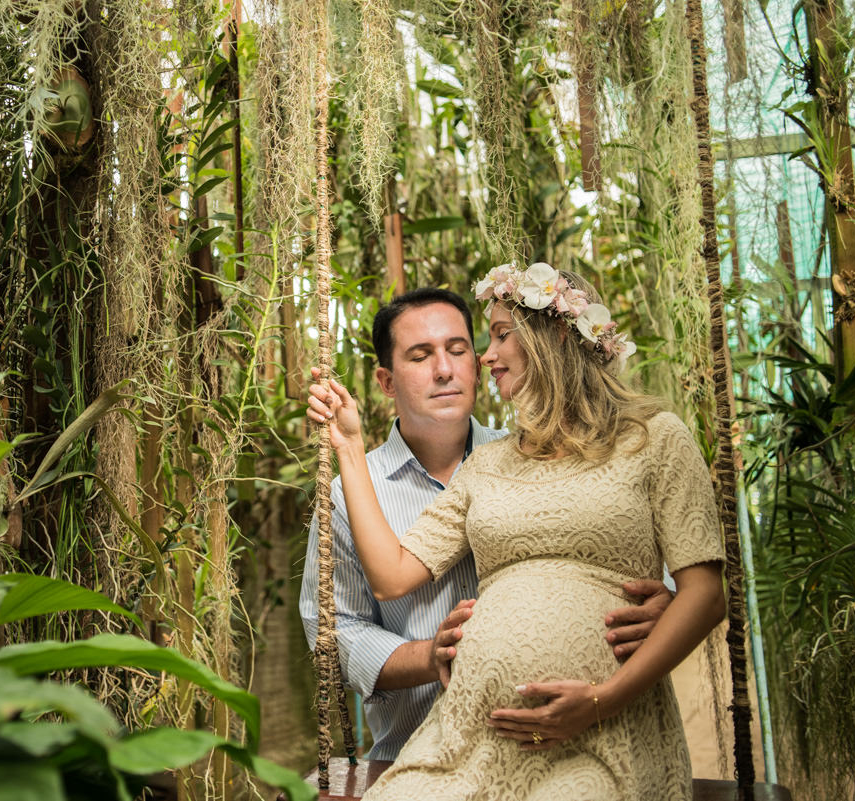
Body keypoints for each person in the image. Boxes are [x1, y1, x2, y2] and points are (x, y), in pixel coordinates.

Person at [307, 265, 726, 800]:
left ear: (552, 337)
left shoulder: (656, 438)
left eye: (497, 336)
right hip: (465, 735)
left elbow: (704, 593)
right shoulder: (487, 465)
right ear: (386, 380)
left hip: (603, 731)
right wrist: (347, 446)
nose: (480, 357)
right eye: (421, 356)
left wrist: (610, 688)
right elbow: (388, 578)